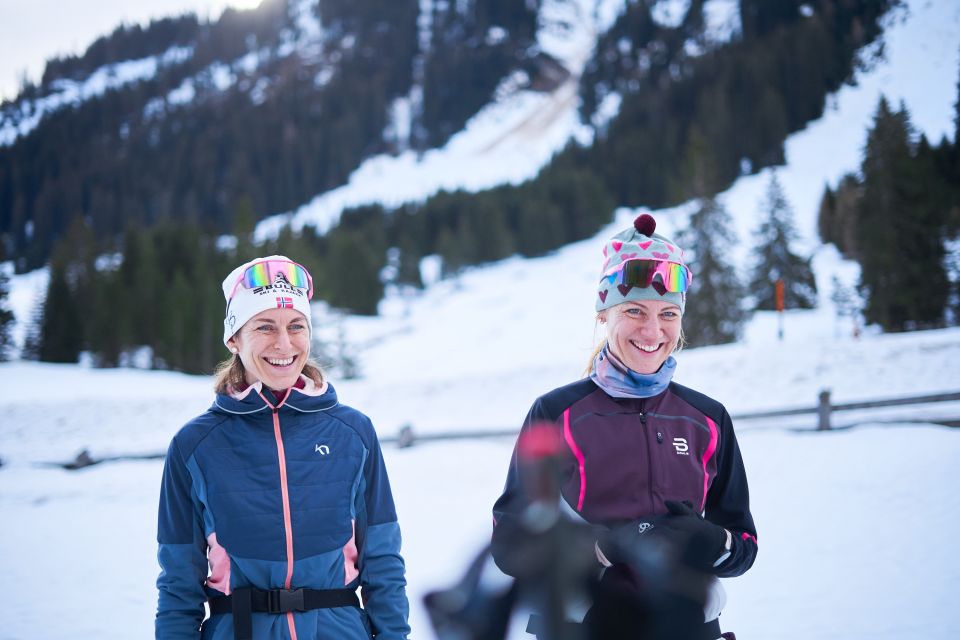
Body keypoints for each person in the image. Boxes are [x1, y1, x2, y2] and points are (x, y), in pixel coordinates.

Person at [491, 215, 758, 639]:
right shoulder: (556, 413)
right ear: (604, 313)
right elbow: (510, 541)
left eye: (668, 313)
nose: (652, 330)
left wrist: (712, 540)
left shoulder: (708, 418)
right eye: (634, 310)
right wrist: (596, 549)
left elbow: (745, 545)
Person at [156, 255, 410, 640]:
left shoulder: (353, 432)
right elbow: (178, 581)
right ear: (234, 338)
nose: (284, 344)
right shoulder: (195, 445)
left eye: (297, 326)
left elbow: (384, 560)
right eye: (264, 327)